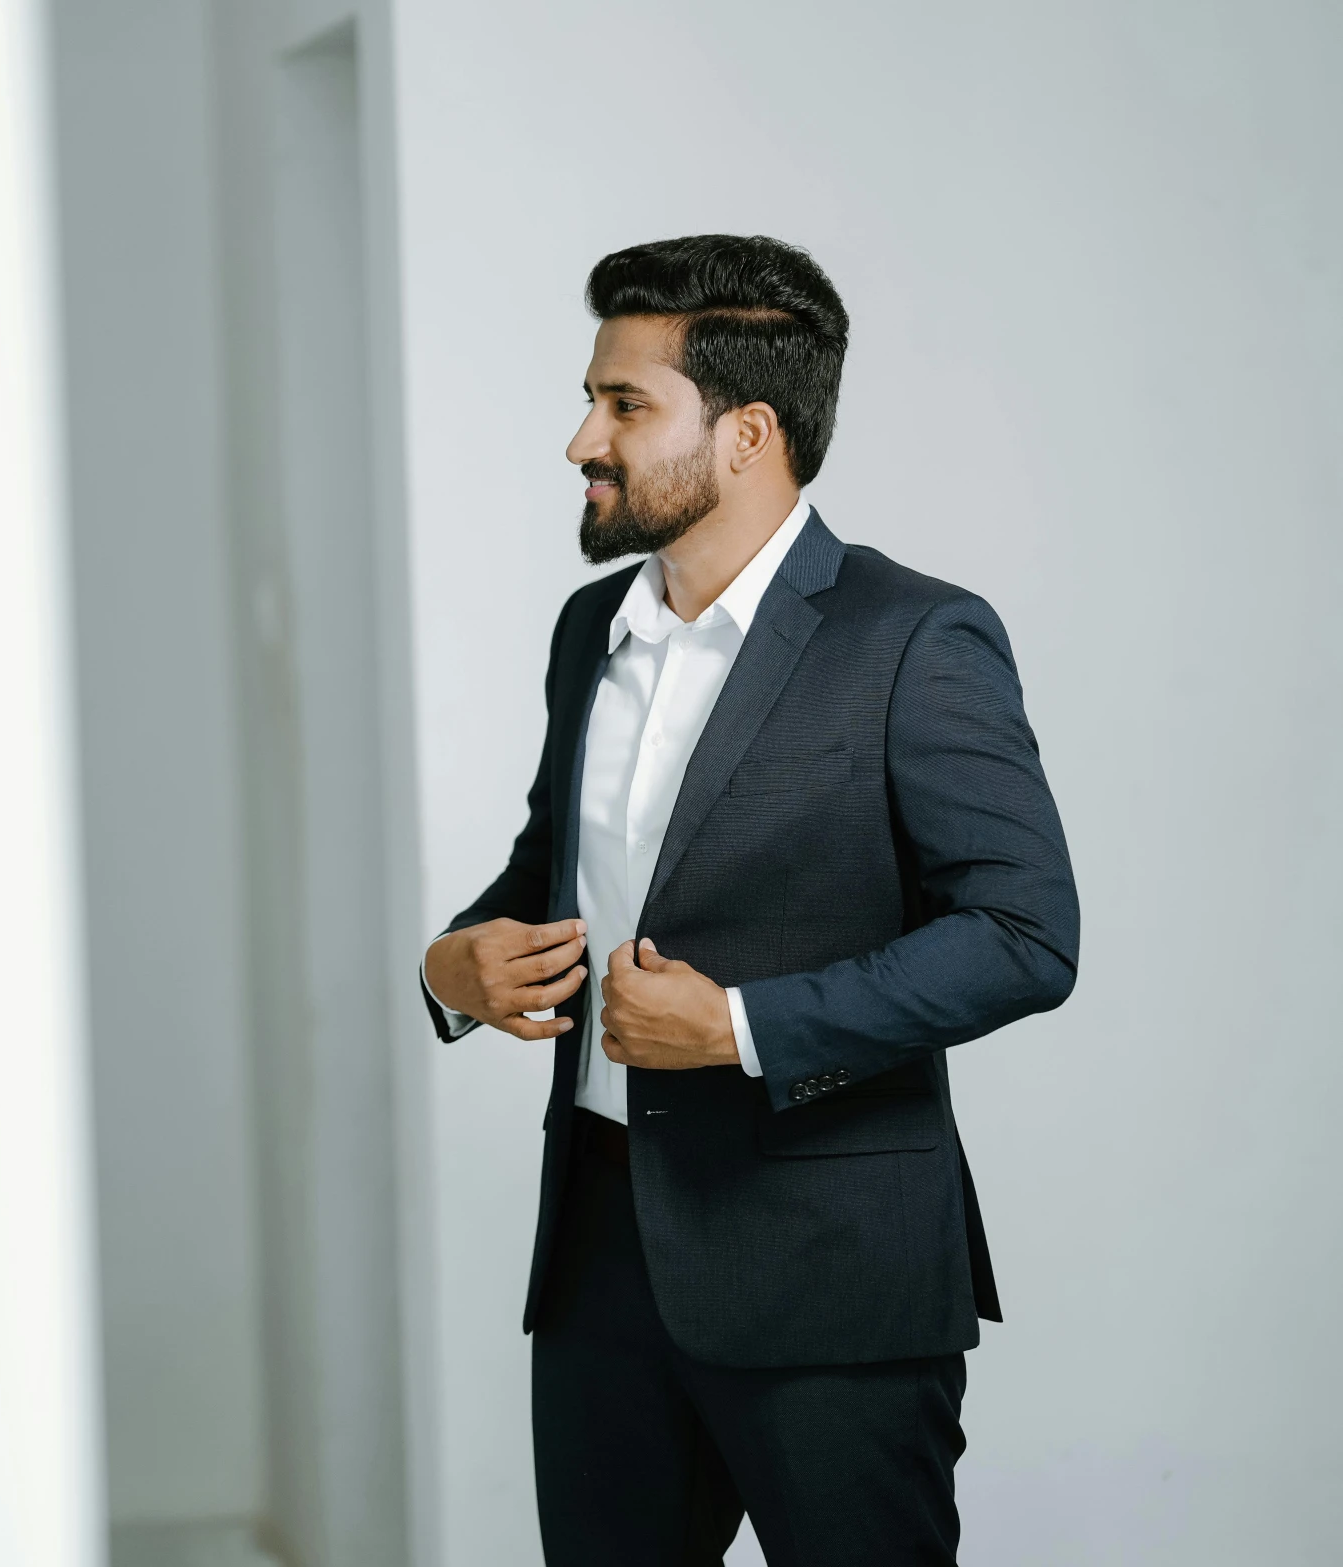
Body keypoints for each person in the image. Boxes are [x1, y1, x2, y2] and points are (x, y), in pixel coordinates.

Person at [421, 234, 1079, 1565]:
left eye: (622, 405)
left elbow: (1022, 935)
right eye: (589, 398)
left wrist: (736, 1026)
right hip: (600, 1258)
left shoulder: (913, 639)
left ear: (745, 434)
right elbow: (551, 864)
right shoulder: (585, 631)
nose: (578, 441)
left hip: (828, 1275)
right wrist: (450, 966)